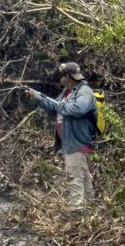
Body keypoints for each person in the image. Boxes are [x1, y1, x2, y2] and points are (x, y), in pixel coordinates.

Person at [27, 61, 97, 208]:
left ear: (68, 77)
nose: (60, 78)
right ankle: (90, 211)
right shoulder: (67, 92)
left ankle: (77, 211)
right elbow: (54, 106)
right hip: (70, 142)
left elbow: (79, 109)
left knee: (75, 178)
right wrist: (36, 96)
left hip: (78, 142)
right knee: (83, 177)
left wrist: (62, 105)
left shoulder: (84, 91)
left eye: (62, 75)